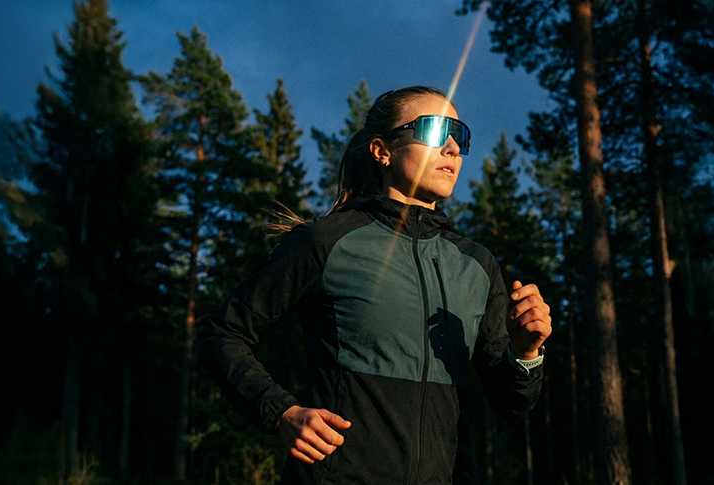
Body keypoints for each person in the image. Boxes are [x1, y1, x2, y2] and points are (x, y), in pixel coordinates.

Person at [198, 85, 552, 484]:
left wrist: (526, 351)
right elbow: (220, 334)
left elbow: (509, 403)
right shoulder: (328, 241)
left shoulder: (476, 266)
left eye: (460, 135)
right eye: (435, 130)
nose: (453, 147)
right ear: (382, 150)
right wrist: (281, 411)